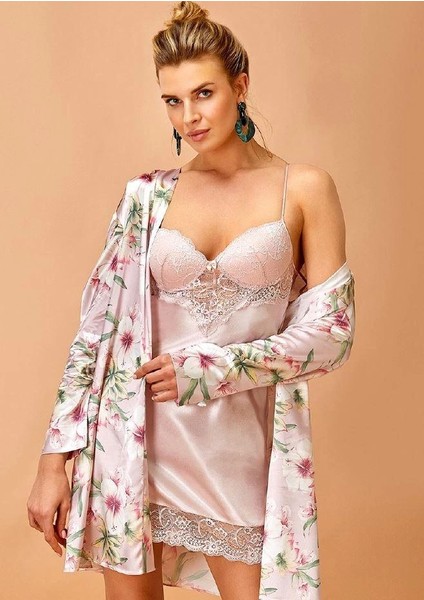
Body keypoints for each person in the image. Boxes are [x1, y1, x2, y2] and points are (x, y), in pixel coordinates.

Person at [27, 2, 355, 599]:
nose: (189, 116)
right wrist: (55, 462)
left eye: (204, 93)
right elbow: (96, 333)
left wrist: (212, 369)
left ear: (241, 86)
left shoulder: (304, 189)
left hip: (237, 450)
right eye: (173, 101)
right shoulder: (146, 197)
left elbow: (332, 334)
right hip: (133, 446)